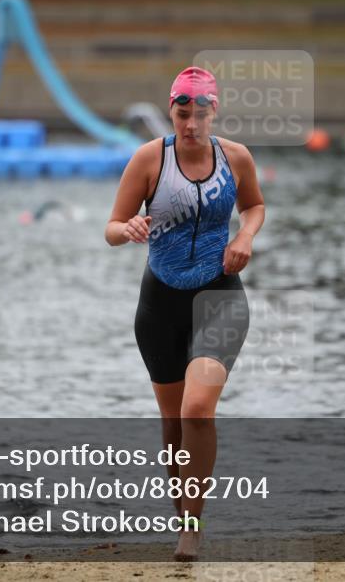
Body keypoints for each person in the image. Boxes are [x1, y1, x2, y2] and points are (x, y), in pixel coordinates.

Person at [105, 66, 265, 561]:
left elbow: (256, 207)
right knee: (173, 425)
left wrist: (244, 236)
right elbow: (110, 227)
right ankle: (185, 517)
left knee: (198, 408)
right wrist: (128, 227)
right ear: (171, 109)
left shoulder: (235, 158)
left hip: (220, 299)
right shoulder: (150, 159)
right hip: (160, 307)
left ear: (214, 111)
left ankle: (192, 529)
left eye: (200, 112)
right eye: (182, 112)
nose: (191, 123)